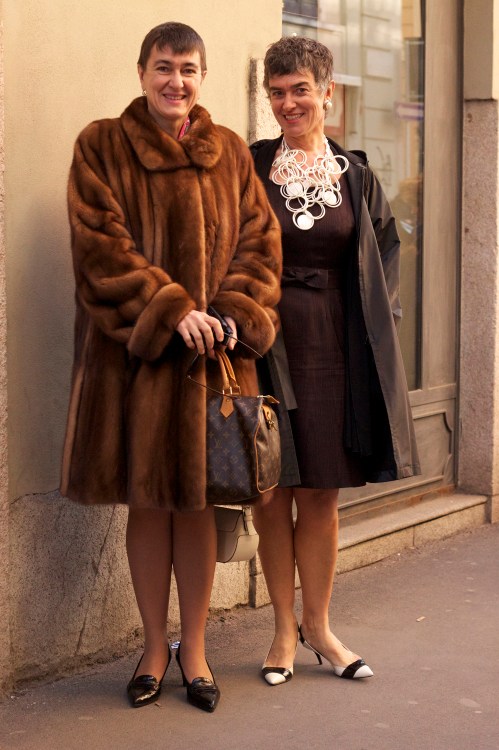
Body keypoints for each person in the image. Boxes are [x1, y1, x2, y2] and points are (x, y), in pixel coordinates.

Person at [60, 22, 281, 712]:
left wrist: (233, 313)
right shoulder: (101, 146)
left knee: (198, 506)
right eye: (163, 67)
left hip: (212, 367)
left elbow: (260, 242)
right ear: (141, 72)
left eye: (187, 70)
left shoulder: (231, 153)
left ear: (202, 78)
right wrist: (169, 308)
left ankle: (197, 650)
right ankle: (154, 648)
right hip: (136, 366)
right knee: (150, 504)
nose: (175, 82)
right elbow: (100, 249)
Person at [251, 36, 420, 685]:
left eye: (300, 89)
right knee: (271, 491)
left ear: (327, 93)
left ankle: (319, 628)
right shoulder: (249, 167)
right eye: (277, 92)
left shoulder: (357, 176)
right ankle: (281, 632)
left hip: (334, 348)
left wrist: (379, 326)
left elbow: (385, 258)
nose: (288, 102)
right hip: (265, 345)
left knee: (321, 491)